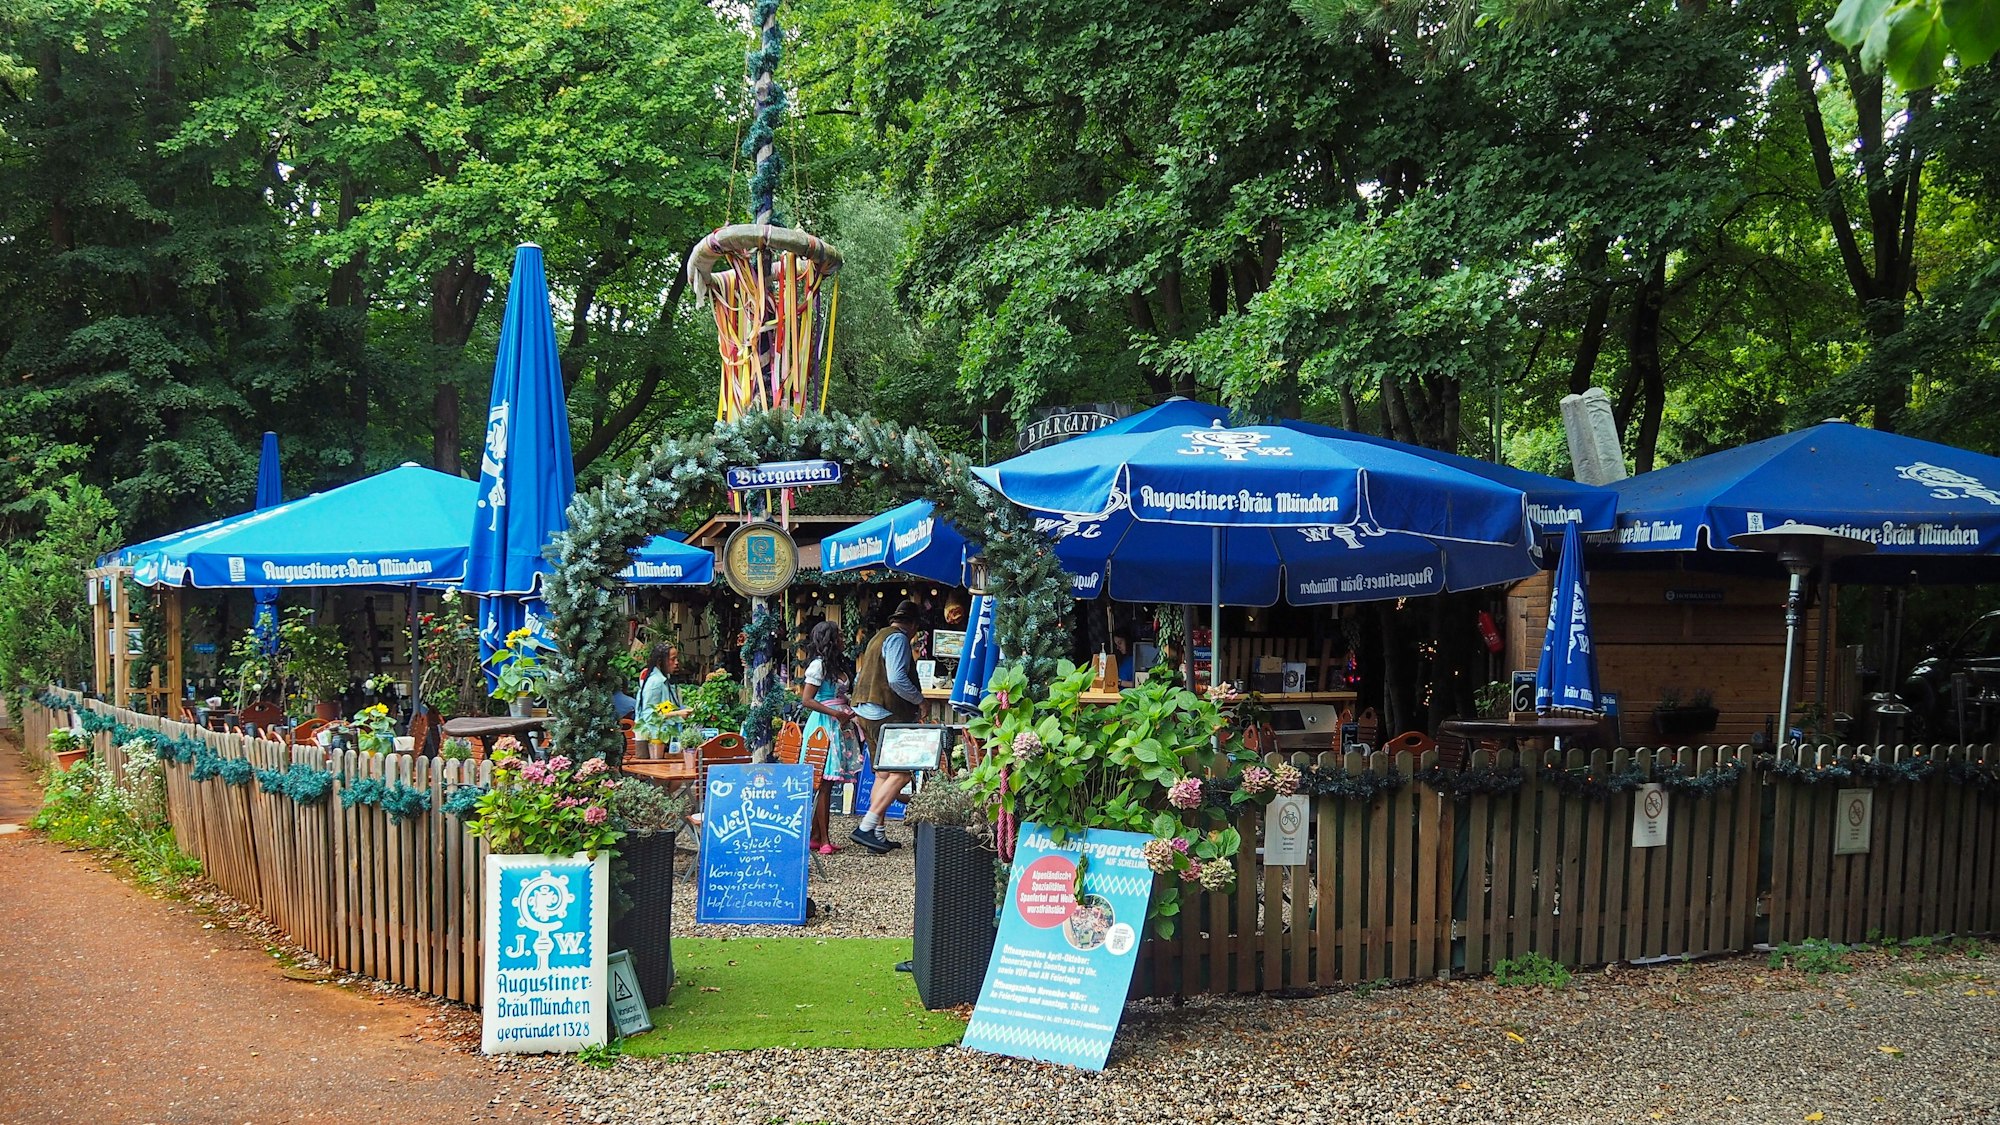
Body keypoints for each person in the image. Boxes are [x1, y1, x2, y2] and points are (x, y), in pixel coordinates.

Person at [848, 599, 925, 853]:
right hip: (884, 713)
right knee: (902, 772)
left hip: (865, 710)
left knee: (882, 774)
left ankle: (878, 836)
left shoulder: (877, 637)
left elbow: (861, 676)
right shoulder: (899, 640)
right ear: (912, 625)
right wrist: (919, 700)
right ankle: (866, 827)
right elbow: (896, 679)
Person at [797, 620, 865, 854]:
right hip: (824, 725)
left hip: (839, 723)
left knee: (828, 782)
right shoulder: (818, 666)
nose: (844, 639)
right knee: (823, 784)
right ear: (830, 640)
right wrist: (835, 712)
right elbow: (806, 700)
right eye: (840, 636)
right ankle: (824, 838)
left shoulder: (836, 664)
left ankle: (817, 835)